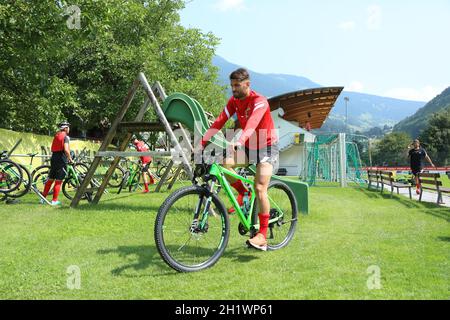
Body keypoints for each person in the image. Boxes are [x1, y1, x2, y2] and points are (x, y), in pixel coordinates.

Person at [197, 68, 279, 251]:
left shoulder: (260, 102)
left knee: (260, 188)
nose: (233, 89)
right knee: (225, 165)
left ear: (247, 84)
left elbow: (252, 124)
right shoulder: (234, 101)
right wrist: (201, 143)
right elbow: (219, 121)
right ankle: (244, 192)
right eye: (231, 85)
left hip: (267, 147)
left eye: (237, 85)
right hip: (250, 147)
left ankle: (262, 236)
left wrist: (238, 141)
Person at [41, 121, 74, 205]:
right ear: (66, 128)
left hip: (54, 158)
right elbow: (66, 150)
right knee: (58, 181)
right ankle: (54, 201)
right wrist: (70, 159)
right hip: (61, 159)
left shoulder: (57, 135)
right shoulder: (66, 137)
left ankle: (42, 199)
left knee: (51, 179)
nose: (69, 129)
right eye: (68, 127)